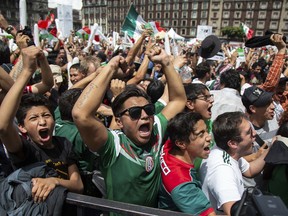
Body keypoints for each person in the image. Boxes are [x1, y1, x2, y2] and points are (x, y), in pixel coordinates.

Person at [72, 45, 186, 207]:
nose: (144, 115)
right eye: (134, 112)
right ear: (119, 121)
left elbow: (178, 100)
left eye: (148, 110)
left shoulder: (156, 129)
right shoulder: (113, 145)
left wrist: (167, 63)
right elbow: (80, 115)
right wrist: (110, 68)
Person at [0, 46, 83, 203]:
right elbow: (3, 127)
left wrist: (55, 181)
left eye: (46, 115)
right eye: (34, 118)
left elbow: (77, 184)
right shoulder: (25, 150)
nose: (42, 121)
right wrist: (26, 71)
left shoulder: (63, 143)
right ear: (22, 127)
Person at [200, 112, 270, 215]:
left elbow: (250, 170)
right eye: (248, 132)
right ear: (233, 143)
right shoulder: (223, 171)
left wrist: (271, 149)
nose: (254, 134)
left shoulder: (227, 153)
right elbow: (235, 212)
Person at [158, 112, 215, 216]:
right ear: (181, 143)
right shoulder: (183, 186)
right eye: (201, 134)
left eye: (206, 131)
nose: (209, 137)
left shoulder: (169, 144)